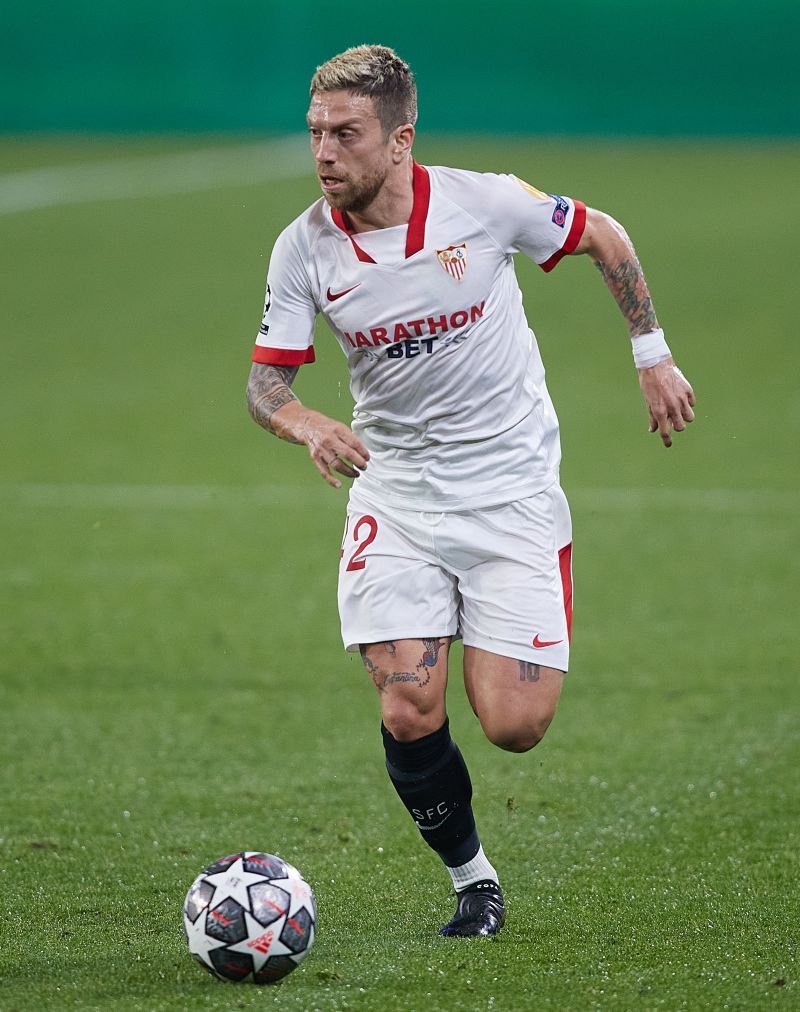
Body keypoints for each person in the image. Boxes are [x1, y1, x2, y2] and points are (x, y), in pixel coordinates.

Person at [245, 44, 695, 938]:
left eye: (346, 133)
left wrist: (652, 354)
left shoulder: (483, 205)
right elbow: (265, 387)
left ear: (401, 137)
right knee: (409, 706)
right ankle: (474, 884)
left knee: (515, 725)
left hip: (509, 488)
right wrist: (309, 424)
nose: (324, 153)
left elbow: (604, 234)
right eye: (314, 134)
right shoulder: (303, 249)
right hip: (396, 493)